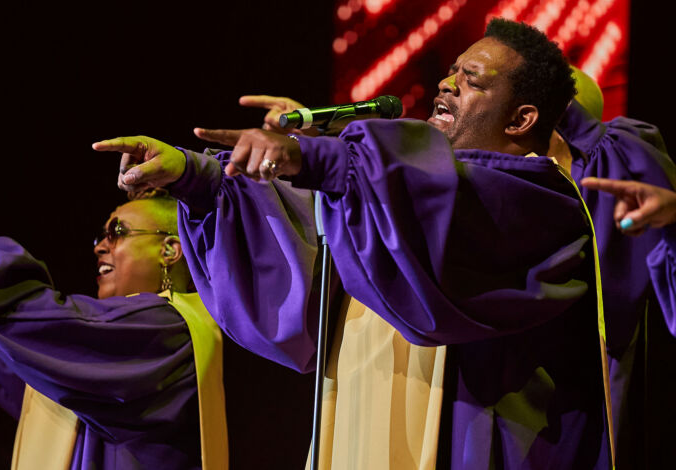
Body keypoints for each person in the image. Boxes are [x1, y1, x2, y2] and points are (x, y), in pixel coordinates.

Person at [94, 19, 614, 469]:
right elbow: (291, 242)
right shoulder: (390, 204)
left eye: (471, 79)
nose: (446, 83)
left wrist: (315, 157)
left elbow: (434, 191)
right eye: (452, 71)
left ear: (521, 119)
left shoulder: (544, 204)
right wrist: (196, 177)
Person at [0, 167, 227, 470]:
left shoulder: (169, 331)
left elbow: (33, 316)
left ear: (169, 250)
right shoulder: (113, 343)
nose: (99, 247)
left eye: (117, 232)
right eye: (101, 236)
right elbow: (6, 365)